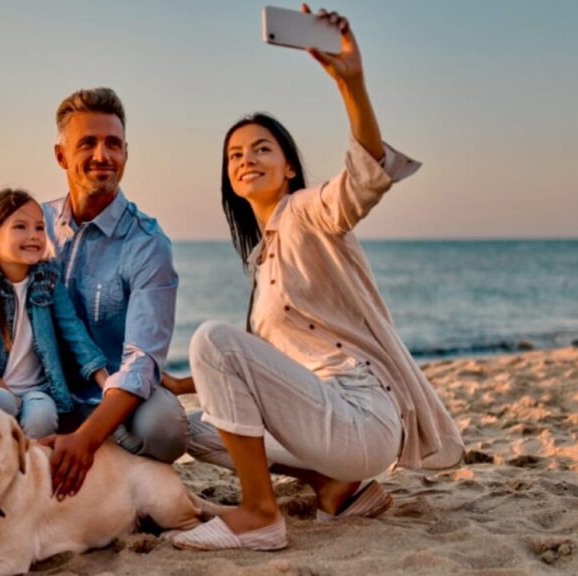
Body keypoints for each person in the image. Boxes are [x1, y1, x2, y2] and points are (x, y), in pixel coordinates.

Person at [162, 5, 464, 551]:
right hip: (324, 423)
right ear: (229, 177)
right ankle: (334, 485)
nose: (246, 159)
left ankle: (260, 515)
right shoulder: (263, 258)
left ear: (290, 166)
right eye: (235, 154)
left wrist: (353, 84)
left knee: (210, 337)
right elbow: (258, 365)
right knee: (195, 430)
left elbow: (364, 180)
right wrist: (176, 384)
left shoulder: (308, 211)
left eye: (261, 148)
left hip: (360, 412)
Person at [0, 88, 187, 501]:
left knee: (164, 427)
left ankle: (98, 455)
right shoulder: (33, 225)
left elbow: (141, 359)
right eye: (87, 143)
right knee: (4, 409)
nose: (102, 155)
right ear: (61, 156)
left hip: (106, 396)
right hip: (37, 388)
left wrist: (87, 440)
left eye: (113, 144)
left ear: (126, 153)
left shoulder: (147, 243)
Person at [0, 189, 109, 439]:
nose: (33, 236)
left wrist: (106, 384)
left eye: (40, 227)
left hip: (38, 391)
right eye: (20, 227)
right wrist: (9, 396)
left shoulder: (50, 282)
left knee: (42, 414)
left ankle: (25, 467)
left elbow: (75, 333)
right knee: (0, 403)